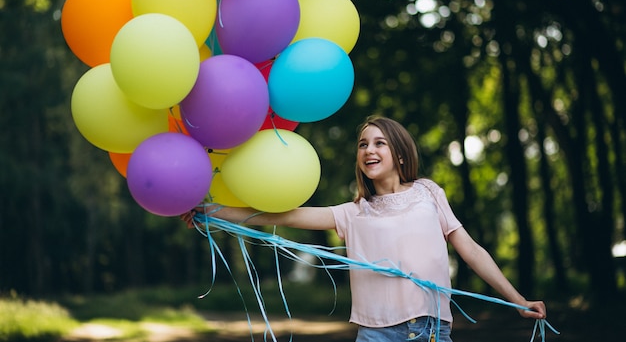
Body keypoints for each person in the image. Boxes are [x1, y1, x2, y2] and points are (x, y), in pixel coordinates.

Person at [182, 115, 546, 342]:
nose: (368, 150)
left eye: (379, 143)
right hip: (375, 334)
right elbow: (286, 215)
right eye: (362, 145)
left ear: (401, 154)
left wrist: (517, 301)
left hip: (430, 331)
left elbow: (471, 250)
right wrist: (213, 211)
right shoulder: (353, 213)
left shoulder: (428, 194)